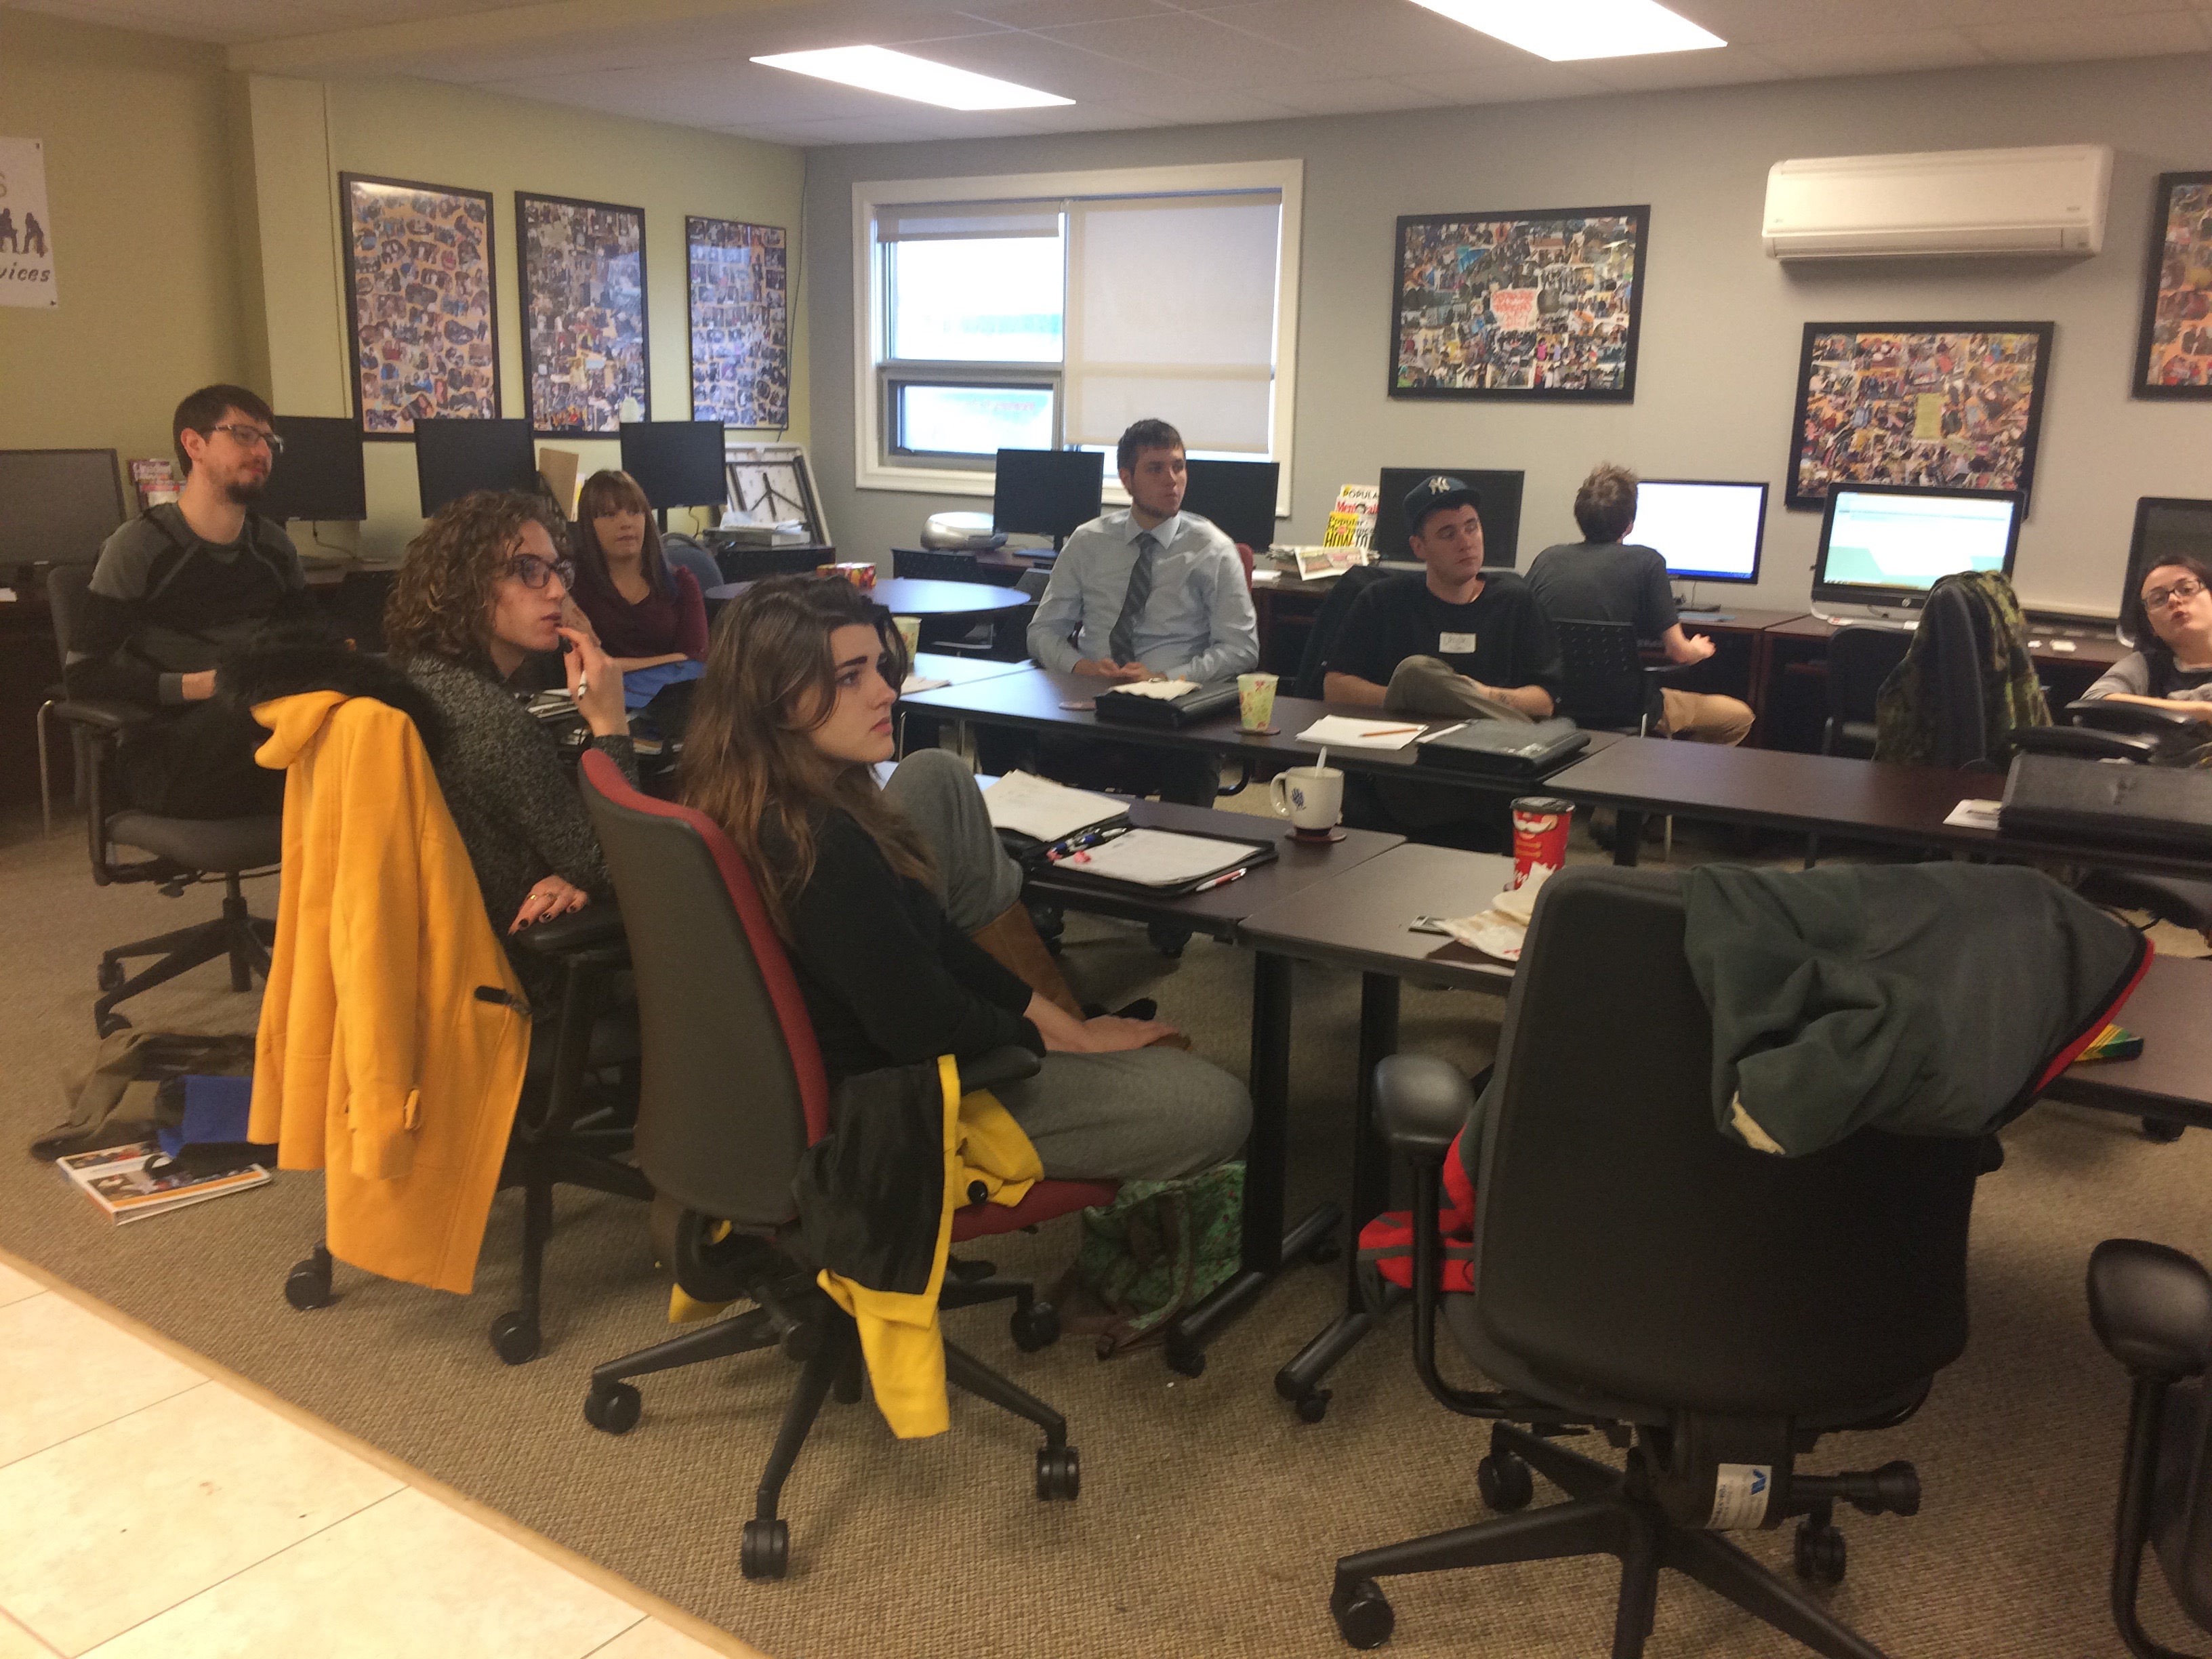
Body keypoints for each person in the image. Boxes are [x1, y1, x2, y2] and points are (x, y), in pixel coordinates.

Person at [682, 574, 1251, 1182]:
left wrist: (1073, 1034)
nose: (885, 692)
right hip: (897, 1103)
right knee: (1214, 1105)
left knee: (936, 774)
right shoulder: (822, 845)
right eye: (850, 677)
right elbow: (927, 1025)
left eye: (879, 668)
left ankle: (1071, 1024)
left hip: (870, 1061)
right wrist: (1041, 1044)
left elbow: (932, 937)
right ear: (777, 698)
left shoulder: (765, 799)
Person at [382, 489, 629, 1012]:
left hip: (457, 971)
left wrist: (570, 871)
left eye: (558, 570)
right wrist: (611, 724)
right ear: (464, 587)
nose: (557, 590)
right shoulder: (493, 724)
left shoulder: (424, 680)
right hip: (526, 983)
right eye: (527, 570)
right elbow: (619, 870)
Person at [65, 384, 316, 819]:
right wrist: (202, 684)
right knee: (264, 720)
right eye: (243, 435)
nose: (262, 451)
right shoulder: (139, 546)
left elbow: (313, 643)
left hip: (260, 734)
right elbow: (83, 677)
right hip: (166, 752)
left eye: (268, 440)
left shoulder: (274, 547)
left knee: (365, 718)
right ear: (194, 444)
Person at [1025, 418, 1258, 806]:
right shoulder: (1088, 541)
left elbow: (1241, 648)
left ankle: (1179, 842)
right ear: (1126, 479)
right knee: (1000, 725)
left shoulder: (1213, 549)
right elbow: (1043, 631)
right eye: (1155, 469)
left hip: (1171, 707)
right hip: (1092, 698)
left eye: (1179, 467)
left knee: (1194, 754)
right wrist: (1081, 668)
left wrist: (1165, 679)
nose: (1172, 480)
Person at [1525, 464, 1755, 744]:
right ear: (1629, 524)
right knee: (1738, 717)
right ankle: (1671, 770)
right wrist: (1699, 650)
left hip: (1552, 706)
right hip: (1628, 710)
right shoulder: (1648, 562)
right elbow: (1679, 653)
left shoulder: (1547, 559)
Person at [1324, 474, 1561, 716]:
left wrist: (1479, 695)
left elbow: (1545, 701)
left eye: (1472, 528)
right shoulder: (1381, 601)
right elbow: (1335, 687)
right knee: (1414, 670)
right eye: (1448, 534)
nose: (1466, 543)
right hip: (1404, 733)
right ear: (1419, 547)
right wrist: (1412, 698)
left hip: (1490, 733)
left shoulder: (1516, 602)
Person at [566, 469, 709, 672]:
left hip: (673, 690)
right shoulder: (573, 587)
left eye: (634, 512)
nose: (626, 523)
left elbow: (696, 660)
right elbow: (579, 667)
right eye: (609, 515)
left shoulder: (681, 583)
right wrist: (674, 659)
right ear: (589, 526)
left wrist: (607, 662)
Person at [2084, 552, 2212, 722]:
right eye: (2158, 599)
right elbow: (2092, 702)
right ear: (2151, 627)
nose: (2174, 600)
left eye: (2186, 589)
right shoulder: (2147, 666)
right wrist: (2203, 711)